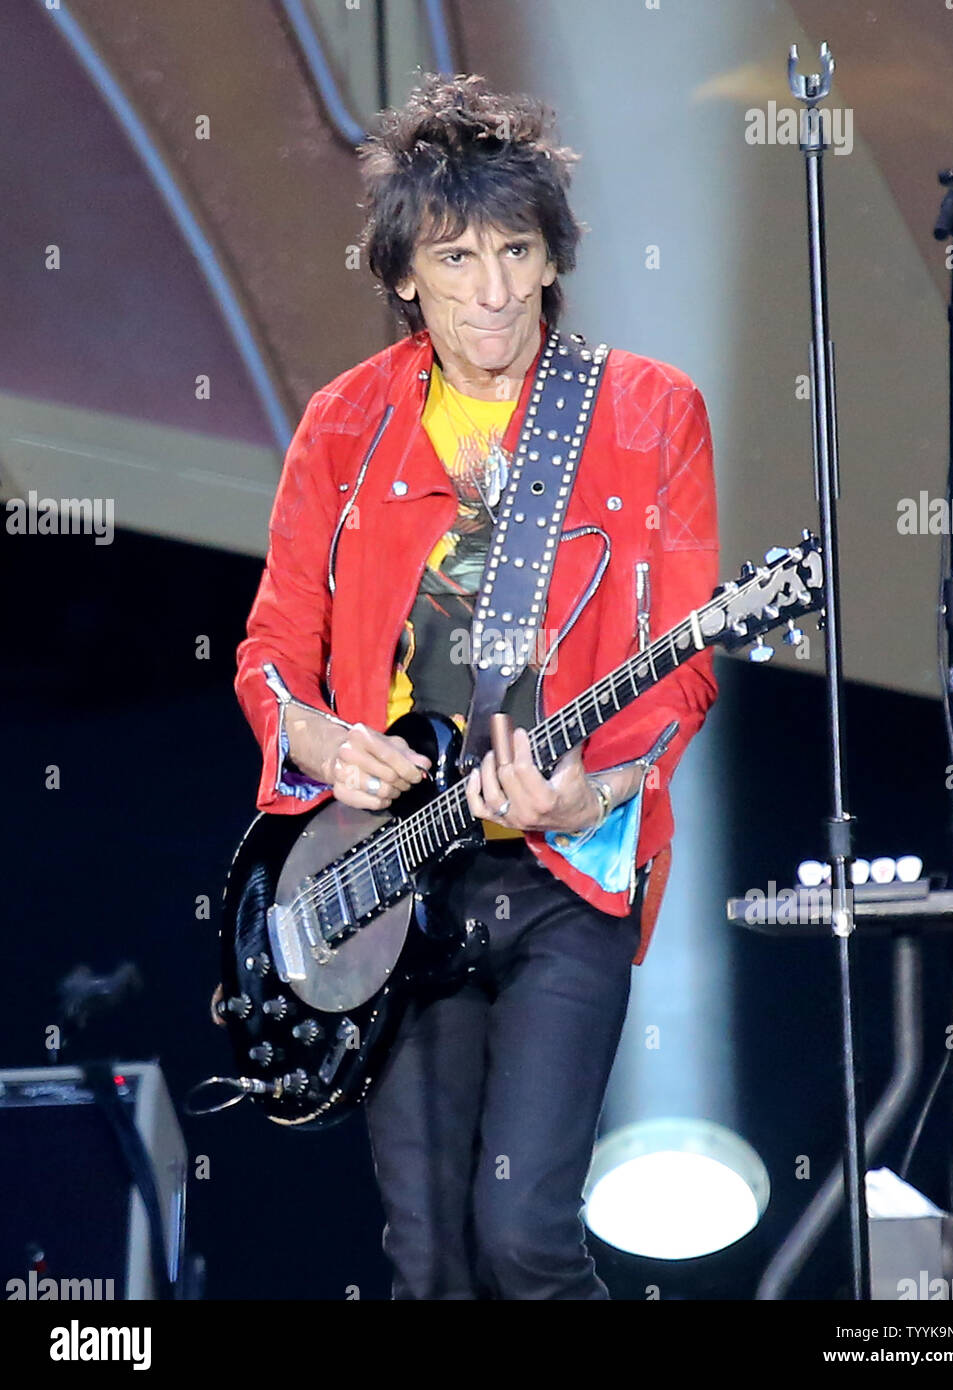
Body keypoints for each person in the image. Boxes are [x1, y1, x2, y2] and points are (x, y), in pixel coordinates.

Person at [234, 73, 718, 1300]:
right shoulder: (345, 424)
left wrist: (591, 785)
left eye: (517, 251)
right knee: (431, 1258)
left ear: (555, 258)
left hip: (563, 875)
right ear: (406, 276)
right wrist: (325, 741)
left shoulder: (649, 412)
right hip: (393, 877)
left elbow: (686, 662)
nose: (493, 289)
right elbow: (273, 649)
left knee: (526, 1241)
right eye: (456, 258)